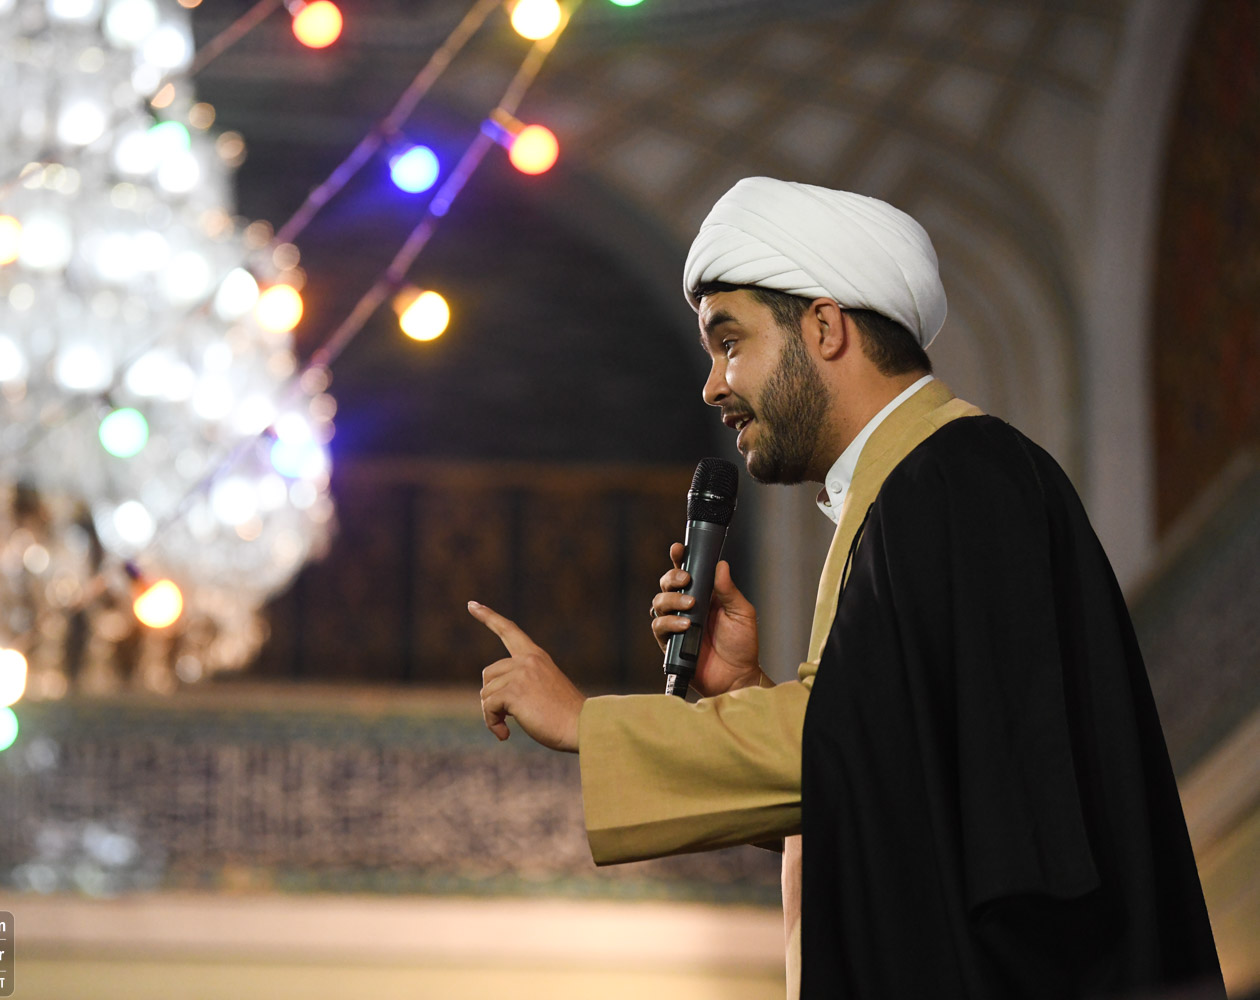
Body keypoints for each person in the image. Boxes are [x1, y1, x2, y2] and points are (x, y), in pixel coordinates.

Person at [470, 177, 1225, 999]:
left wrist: (586, 723)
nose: (713, 385)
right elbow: (906, 789)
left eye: (730, 343)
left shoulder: (954, 477)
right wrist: (746, 690)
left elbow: (871, 753)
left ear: (825, 328)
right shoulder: (917, 490)